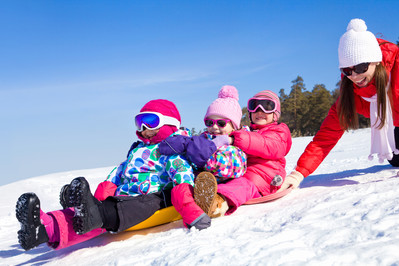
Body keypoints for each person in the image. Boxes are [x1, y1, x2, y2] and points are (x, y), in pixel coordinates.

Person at [15, 99, 197, 251]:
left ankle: (93, 212)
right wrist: (100, 197)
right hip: (124, 197)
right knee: (91, 215)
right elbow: (118, 174)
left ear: (170, 123)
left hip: (153, 199)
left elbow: (183, 176)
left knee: (106, 213)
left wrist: (192, 212)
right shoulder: (138, 150)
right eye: (138, 121)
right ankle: (43, 227)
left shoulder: (172, 149)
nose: (142, 127)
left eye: (150, 120)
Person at [279, 18, 399, 191]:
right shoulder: (351, 93)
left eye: (360, 67)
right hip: (394, 130)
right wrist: (298, 173)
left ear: (376, 60)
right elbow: (325, 137)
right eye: (347, 70)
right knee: (395, 160)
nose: (355, 76)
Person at [166, 89, 292, 223]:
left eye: (267, 106)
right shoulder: (246, 131)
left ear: (276, 114)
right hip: (244, 172)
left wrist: (234, 138)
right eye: (254, 106)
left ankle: (217, 201)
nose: (259, 111)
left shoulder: (279, 131)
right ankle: (194, 194)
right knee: (231, 180)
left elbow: (269, 145)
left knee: (242, 186)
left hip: (264, 176)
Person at [158, 85, 248, 229]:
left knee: (231, 184)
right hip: (194, 180)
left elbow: (233, 167)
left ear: (234, 126)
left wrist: (205, 156)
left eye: (221, 123)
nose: (215, 127)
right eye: (209, 122)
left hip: (220, 183)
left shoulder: (234, 147)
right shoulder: (203, 139)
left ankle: (207, 198)